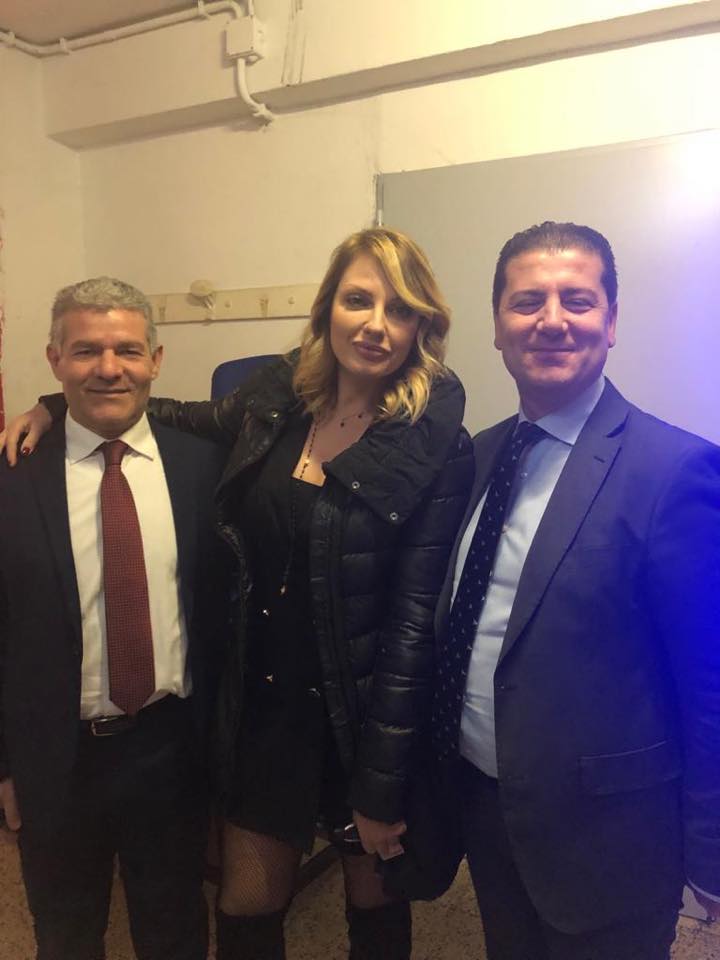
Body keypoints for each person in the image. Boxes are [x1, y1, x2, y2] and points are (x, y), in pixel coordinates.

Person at [4, 228, 474, 959]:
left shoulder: (432, 442)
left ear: (423, 326)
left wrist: (382, 784)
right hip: (266, 711)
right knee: (245, 909)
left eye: (401, 309)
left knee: (375, 908)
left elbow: (415, 625)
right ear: (327, 308)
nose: (376, 325)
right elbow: (166, 410)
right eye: (358, 300)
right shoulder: (278, 404)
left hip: (363, 719)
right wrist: (57, 402)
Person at [430, 220, 720, 960]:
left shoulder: (676, 471)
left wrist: (712, 851)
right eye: (528, 302)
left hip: (611, 841)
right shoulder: (478, 457)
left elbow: (708, 685)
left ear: (611, 323)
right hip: (488, 810)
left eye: (578, 301)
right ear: (498, 326)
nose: (552, 320)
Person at [0, 277, 229, 960]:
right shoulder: (11, 478)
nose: (108, 368)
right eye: (85, 351)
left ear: (155, 360)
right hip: (55, 757)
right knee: (65, 934)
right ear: (54, 360)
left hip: (170, 748)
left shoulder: (206, 469)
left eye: (127, 350)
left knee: (175, 925)